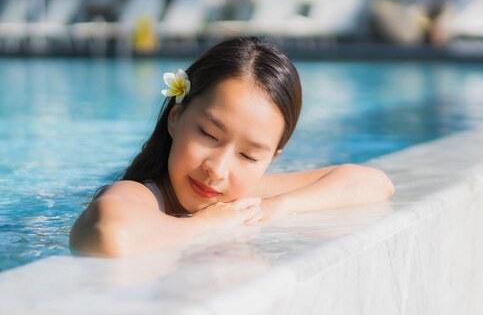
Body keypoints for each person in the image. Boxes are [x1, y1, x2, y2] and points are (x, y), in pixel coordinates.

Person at [70, 37, 395, 257]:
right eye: (209, 135)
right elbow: (110, 235)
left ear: (270, 158)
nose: (218, 169)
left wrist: (275, 207)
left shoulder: (240, 195)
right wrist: (205, 224)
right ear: (175, 118)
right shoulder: (144, 195)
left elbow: (373, 182)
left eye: (249, 155)